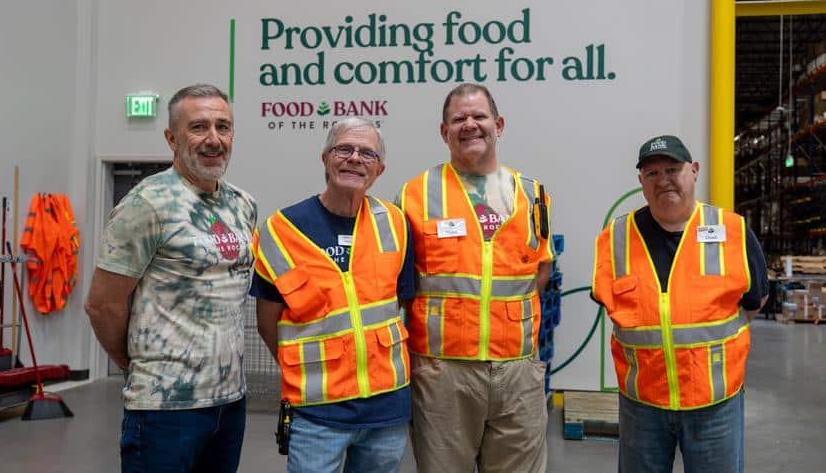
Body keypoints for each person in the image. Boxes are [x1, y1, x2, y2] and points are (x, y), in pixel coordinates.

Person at [84, 84, 257, 472]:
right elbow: (101, 305)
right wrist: (139, 365)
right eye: (198, 127)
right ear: (171, 138)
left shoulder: (243, 204)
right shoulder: (147, 204)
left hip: (230, 402)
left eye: (223, 127)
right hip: (164, 407)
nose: (214, 139)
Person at [397, 83, 555, 473]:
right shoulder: (415, 194)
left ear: (498, 124)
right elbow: (400, 282)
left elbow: (541, 267)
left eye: (479, 116)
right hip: (443, 374)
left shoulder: (534, 194)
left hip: (517, 371)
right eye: (459, 119)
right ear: (444, 131)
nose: (470, 125)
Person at [591, 135, 769, 473]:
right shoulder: (615, 238)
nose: (664, 180)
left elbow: (756, 300)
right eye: (652, 174)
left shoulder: (731, 230)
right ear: (641, 182)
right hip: (642, 406)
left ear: (694, 171)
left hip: (715, 406)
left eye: (673, 169)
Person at [251, 117, 415, 473]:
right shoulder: (281, 231)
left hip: (386, 413)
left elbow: (402, 304)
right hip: (316, 415)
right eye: (344, 149)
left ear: (380, 169)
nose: (355, 158)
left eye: (367, 153)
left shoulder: (396, 223)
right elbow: (267, 322)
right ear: (325, 157)